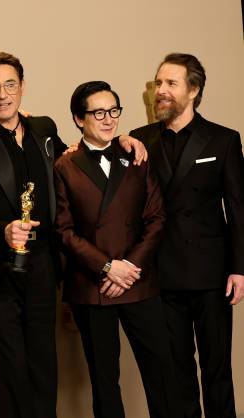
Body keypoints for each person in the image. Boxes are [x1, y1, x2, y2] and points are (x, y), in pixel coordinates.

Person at [0, 53, 146, 418]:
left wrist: (121, 139)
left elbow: (79, 159)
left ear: (23, 86)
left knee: (44, 368)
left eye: (10, 84)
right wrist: (2, 230)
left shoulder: (44, 129)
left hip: (42, 267)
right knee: (8, 374)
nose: (3, 94)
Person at [54, 80, 180, 418]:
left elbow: (156, 217)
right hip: (93, 285)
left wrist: (129, 268)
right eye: (98, 113)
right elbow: (63, 231)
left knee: (162, 373)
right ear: (79, 119)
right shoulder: (64, 166)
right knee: (104, 380)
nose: (108, 119)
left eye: (113, 111)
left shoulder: (136, 155)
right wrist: (108, 267)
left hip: (138, 280)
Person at [130, 53, 244, 418]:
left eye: (170, 83)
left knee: (217, 369)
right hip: (162, 273)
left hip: (212, 274)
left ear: (193, 90)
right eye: (158, 83)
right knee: (175, 372)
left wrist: (239, 268)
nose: (160, 90)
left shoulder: (224, 140)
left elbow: (238, 209)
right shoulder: (139, 140)